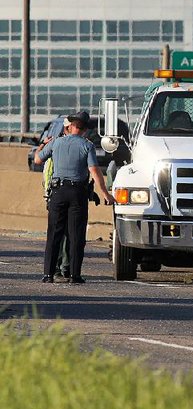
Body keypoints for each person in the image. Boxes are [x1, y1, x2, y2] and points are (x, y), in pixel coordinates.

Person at [34, 111, 115, 284]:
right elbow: (95, 172)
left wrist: (42, 145)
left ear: (70, 126)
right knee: (76, 235)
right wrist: (106, 194)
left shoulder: (56, 142)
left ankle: (48, 274)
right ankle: (74, 275)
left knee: (54, 234)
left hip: (58, 192)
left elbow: (38, 160)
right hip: (78, 193)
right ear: (85, 130)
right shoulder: (87, 146)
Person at [42, 118, 71, 280]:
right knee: (67, 234)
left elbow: (40, 160)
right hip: (60, 193)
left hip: (54, 194)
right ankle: (64, 267)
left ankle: (58, 268)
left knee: (57, 234)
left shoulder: (54, 148)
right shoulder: (66, 148)